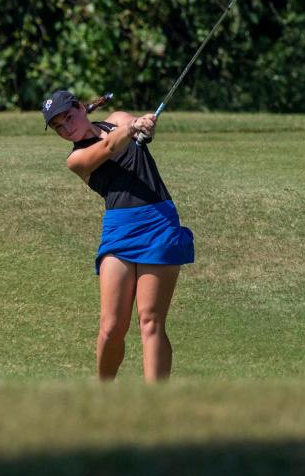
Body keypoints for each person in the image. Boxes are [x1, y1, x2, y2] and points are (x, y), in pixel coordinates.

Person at [42, 89, 194, 382]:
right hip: (119, 229)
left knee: (150, 321)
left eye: (68, 117)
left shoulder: (119, 119)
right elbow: (111, 147)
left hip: (159, 221)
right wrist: (132, 128)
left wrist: (145, 128)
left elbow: (137, 132)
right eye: (59, 126)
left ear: (81, 108)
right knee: (111, 326)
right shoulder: (77, 158)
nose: (66, 127)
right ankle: (104, 393)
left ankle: (156, 404)